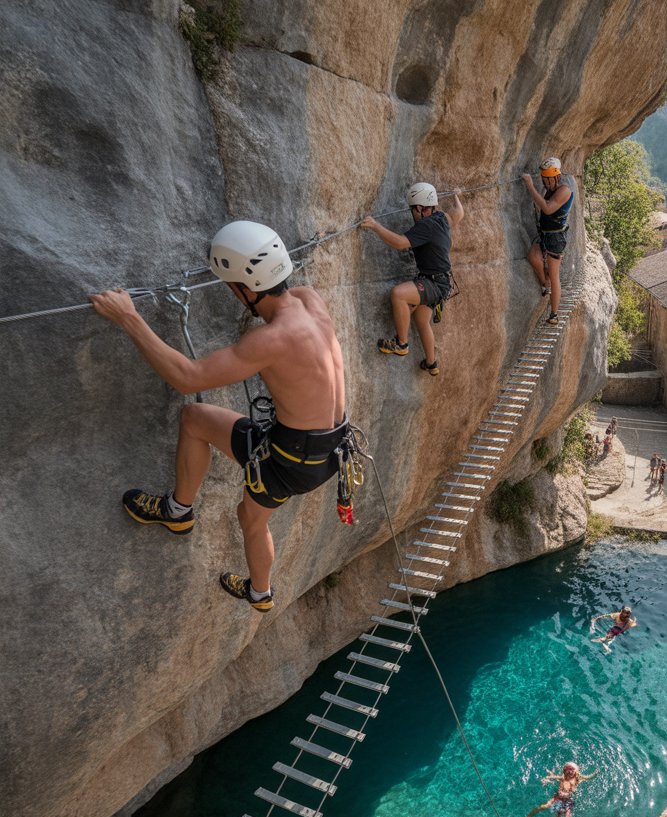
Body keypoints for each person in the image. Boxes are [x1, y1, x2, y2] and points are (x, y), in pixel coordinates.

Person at [89, 220, 349, 613]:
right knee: (245, 502)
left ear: (243, 288)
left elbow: (186, 377)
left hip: (291, 458)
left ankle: (179, 513)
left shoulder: (271, 340)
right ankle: (259, 594)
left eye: (230, 286)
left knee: (239, 499)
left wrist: (129, 317)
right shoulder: (310, 299)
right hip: (331, 450)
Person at [360, 182, 464, 376]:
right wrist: (457, 196)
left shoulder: (426, 225)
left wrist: (375, 226)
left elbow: (400, 243)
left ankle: (401, 343)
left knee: (398, 294)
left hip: (434, 283)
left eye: (412, 210)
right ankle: (431, 363)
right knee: (421, 320)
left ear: (419, 208)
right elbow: (458, 214)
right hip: (440, 282)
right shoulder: (441, 218)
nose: (413, 215)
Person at [522, 157, 574, 324]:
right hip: (547, 234)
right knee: (533, 256)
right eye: (543, 180)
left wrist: (530, 186)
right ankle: (546, 284)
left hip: (556, 238)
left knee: (554, 274)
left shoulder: (564, 190)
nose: (545, 184)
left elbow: (547, 207)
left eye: (546, 180)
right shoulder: (553, 188)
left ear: (555, 177)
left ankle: (554, 314)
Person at [521, 762, 599, 817]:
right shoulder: (563, 777)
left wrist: (595, 774)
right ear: (565, 771)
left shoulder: (578, 779)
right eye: (568, 770)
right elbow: (553, 777)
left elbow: (588, 778)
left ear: (576, 772)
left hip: (568, 801)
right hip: (557, 798)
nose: (570, 772)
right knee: (546, 807)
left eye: (572, 770)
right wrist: (547, 779)